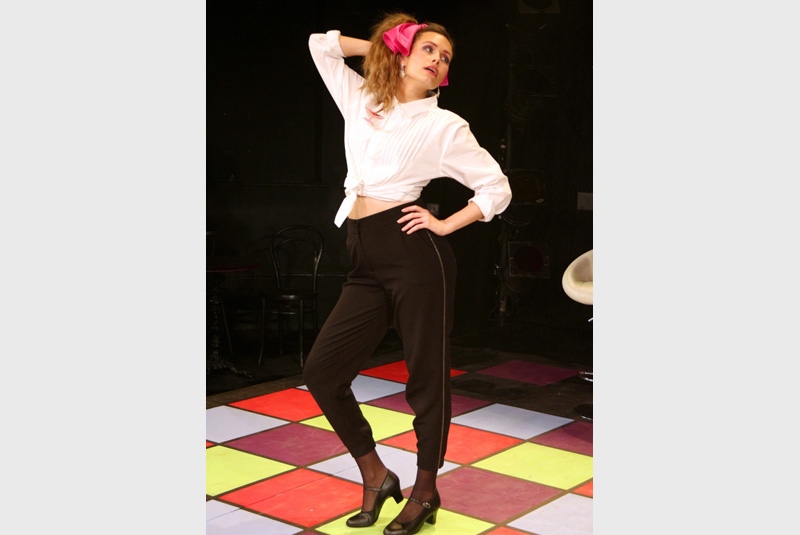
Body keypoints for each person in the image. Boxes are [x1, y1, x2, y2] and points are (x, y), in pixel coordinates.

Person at [304, 12, 512, 535]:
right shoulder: (362, 98)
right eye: (427, 49)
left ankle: (425, 489)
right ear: (402, 55)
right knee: (323, 373)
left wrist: (445, 224)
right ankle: (376, 476)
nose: (438, 60)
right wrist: (384, 45)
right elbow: (320, 45)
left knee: (425, 379)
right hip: (363, 254)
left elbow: (496, 188)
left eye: (445, 57)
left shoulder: (445, 126)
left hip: (415, 255)